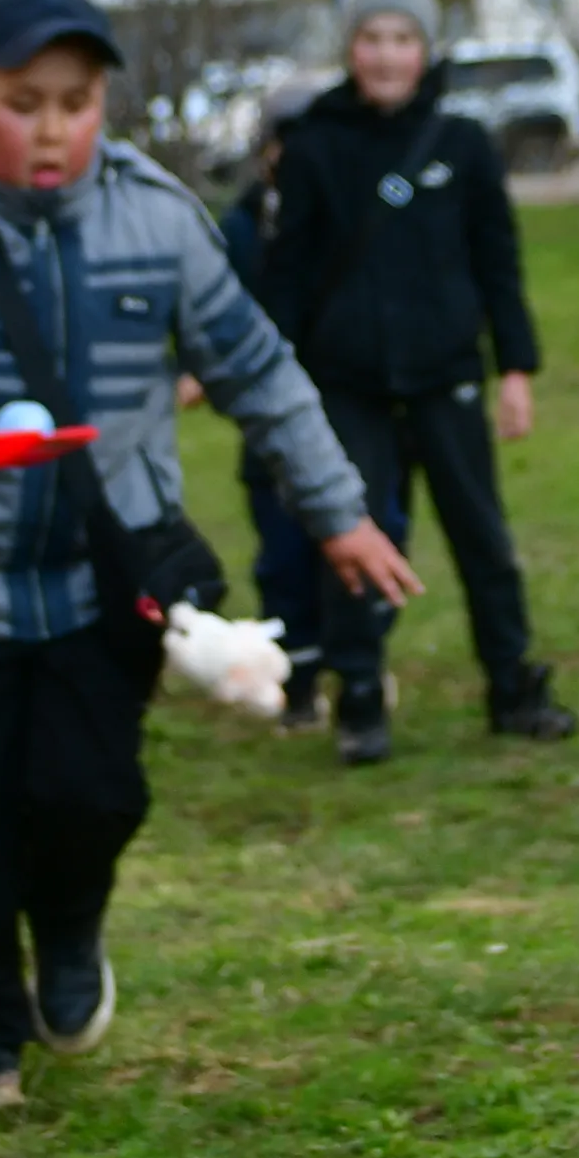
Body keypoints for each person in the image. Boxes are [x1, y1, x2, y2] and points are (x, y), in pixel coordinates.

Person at [0, 0, 424, 1114]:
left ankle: (73, 927)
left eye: (77, 102)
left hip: (109, 577)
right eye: (23, 101)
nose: (51, 128)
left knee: (90, 793)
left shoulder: (159, 218)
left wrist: (338, 513)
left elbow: (259, 371)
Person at [261, 0, 579, 764]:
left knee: (483, 538)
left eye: (403, 38)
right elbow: (288, 276)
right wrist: (274, 383)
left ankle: (512, 684)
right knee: (356, 539)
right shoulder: (315, 147)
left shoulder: (464, 146)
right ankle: (360, 698)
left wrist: (516, 369)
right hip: (349, 382)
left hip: (446, 377)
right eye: (371, 37)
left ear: (426, 48)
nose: (387, 55)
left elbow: (497, 264)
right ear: (350, 47)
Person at [212, 78, 404, 729]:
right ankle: (297, 677)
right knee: (285, 555)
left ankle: (361, 661)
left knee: (374, 534)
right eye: (284, 145)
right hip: (272, 418)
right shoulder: (239, 228)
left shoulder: (355, 212)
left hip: (354, 404)